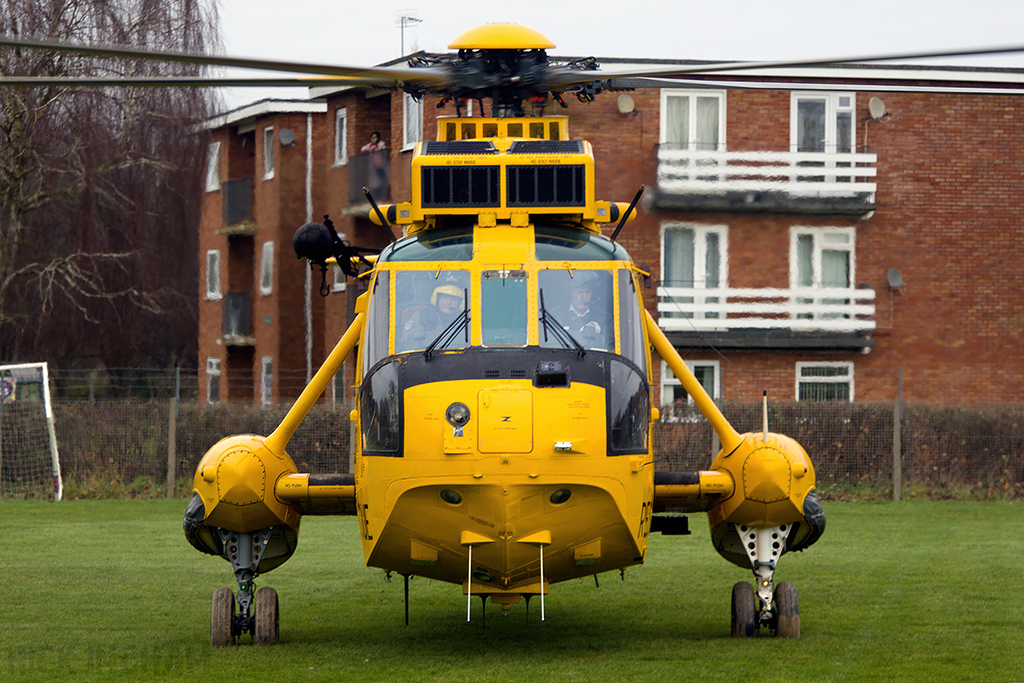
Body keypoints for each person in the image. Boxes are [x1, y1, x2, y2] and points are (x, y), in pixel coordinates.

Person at [552, 272, 613, 350]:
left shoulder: (604, 317)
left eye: (587, 292)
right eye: (579, 292)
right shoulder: (557, 316)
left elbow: (609, 344)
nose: (584, 297)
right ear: (571, 293)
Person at [402, 284, 463, 349]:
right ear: (437, 300)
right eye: (444, 298)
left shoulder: (465, 319)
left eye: (454, 299)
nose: (448, 302)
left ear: (459, 303)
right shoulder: (421, 316)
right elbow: (408, 344)